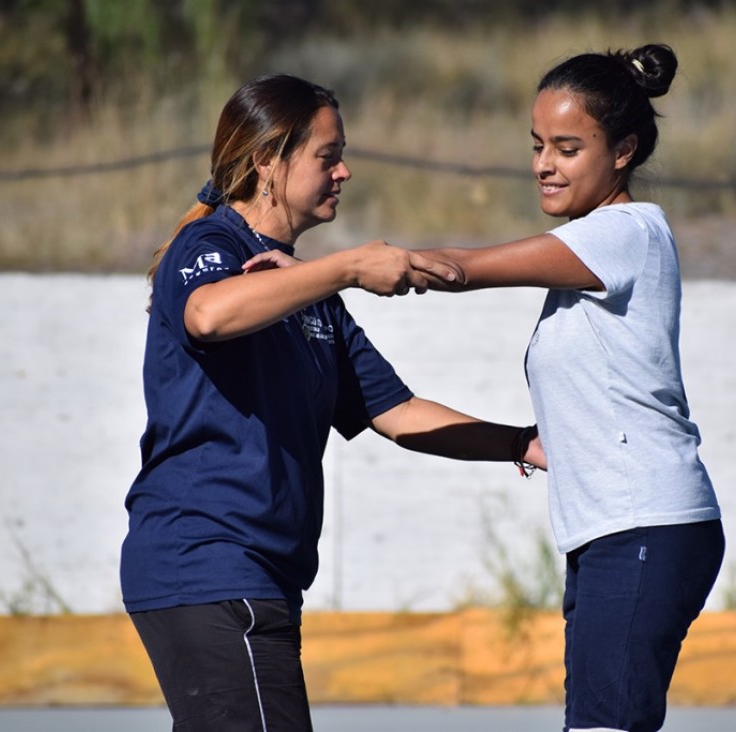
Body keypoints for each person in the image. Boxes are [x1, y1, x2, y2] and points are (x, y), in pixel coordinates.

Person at [119, 73, 543, 732]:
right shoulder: (209, 249)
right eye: (327, 155)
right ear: (266, 161)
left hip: (262, 581)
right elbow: (208, 315)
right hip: (207, 566)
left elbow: (397, 413)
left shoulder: (308, 295)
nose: (344, 171)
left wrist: (520, 444)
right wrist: (344, 267)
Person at [414, 44, 725, 732]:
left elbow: (465, 269)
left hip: (646, 522)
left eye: (566, 147)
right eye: (536, 146)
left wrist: (350, 266)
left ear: (623, 151)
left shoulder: (624, 233)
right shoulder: (594, 254)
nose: (543, 165)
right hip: (611, 528)